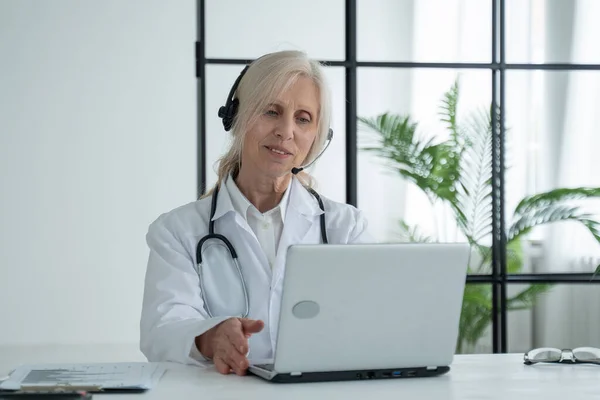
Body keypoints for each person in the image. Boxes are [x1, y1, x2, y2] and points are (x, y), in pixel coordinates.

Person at [139, 50, 373, 376]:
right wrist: (209, 337)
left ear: (317, 137)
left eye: (303, 118)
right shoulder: (177, 230)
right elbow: (161, 330)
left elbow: (370, 327)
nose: (285, 131)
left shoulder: (346, 228)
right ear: (237, 117)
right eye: (271, 111)